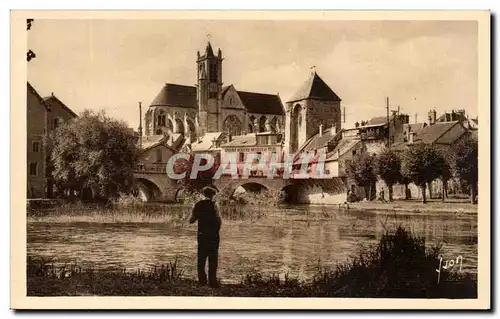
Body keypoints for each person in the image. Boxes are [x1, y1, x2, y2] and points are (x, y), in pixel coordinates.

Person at [189, 186, 222, 288]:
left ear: (203, 194)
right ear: (213, 196)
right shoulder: (215, 206)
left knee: (201, 258)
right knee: (213, 259)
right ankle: (212, 281)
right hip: (213, 236)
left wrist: (193, 213)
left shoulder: (198, 205)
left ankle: (202, 281)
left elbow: (191, 220)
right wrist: (215, 231)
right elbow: (219, 221)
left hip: (202, 235)